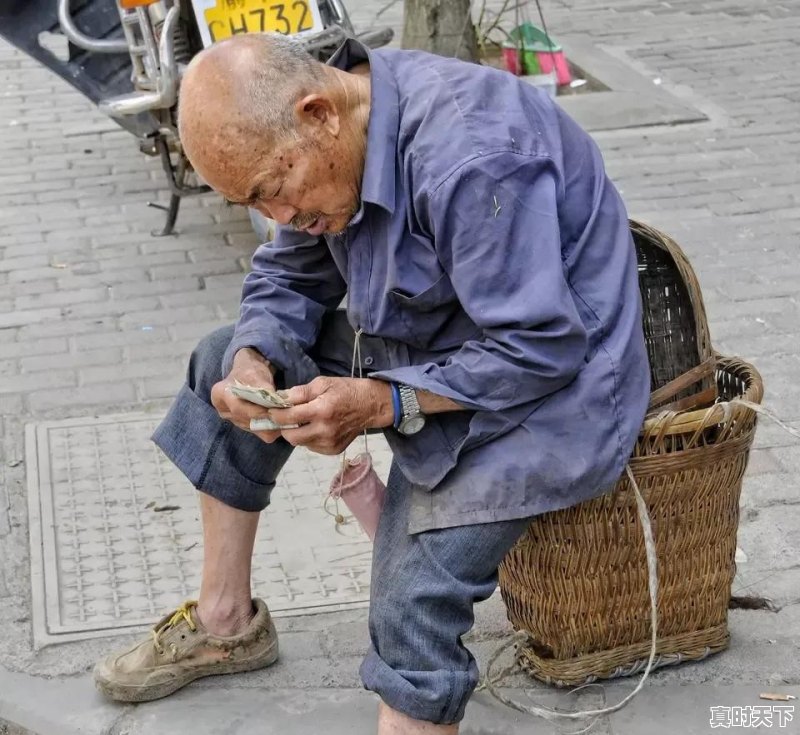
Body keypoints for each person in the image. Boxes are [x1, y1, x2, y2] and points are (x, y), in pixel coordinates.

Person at [93, 32, 650, 733]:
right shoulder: (319, 146)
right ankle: (225, 623)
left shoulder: (469, 155)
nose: (280, 218)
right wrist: (253, 359)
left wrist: (386, 401)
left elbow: (539, 346)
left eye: (273, 192)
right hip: (430, 344)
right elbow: (290, 272)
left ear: (319, 111)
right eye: (255, 204)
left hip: (550, 392)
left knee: (411, 600)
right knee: (218, 367)